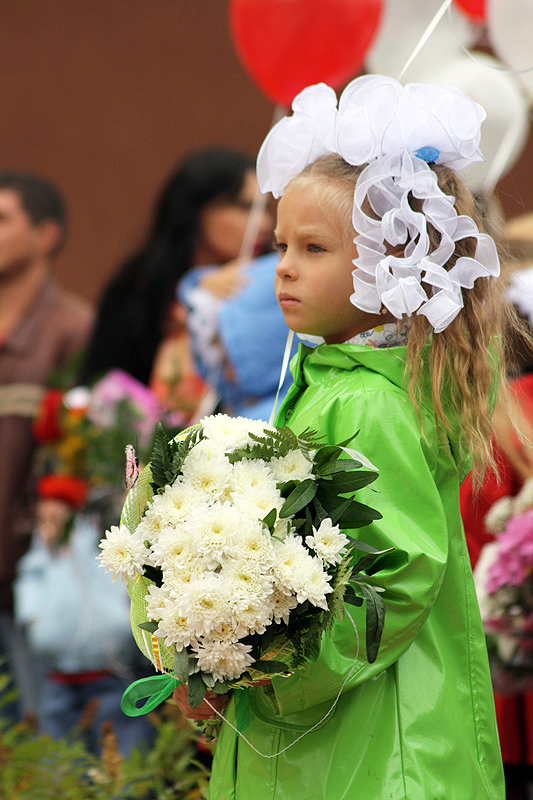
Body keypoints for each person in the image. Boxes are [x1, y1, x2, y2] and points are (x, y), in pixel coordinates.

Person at [173, 76, 516, 798]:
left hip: (370, 741)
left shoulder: (365, 400)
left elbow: (391, 575)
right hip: (340, 729)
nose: (284, 266)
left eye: (313, 247)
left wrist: (266, 678)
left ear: (391, 261)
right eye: (279, 245)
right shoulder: (340, 380)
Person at [79, 148, 273, 422]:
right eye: (244, 208)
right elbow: (99, 384)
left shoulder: (271, 292)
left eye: (265, 210)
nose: (263, 223)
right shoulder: (139, 289)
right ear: (195, 209)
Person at [0, 172, 93, 717]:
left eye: (3, 218)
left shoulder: (71, 329)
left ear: (46, 235)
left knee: (38, 735)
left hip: (30, 577)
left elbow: (81, 453)